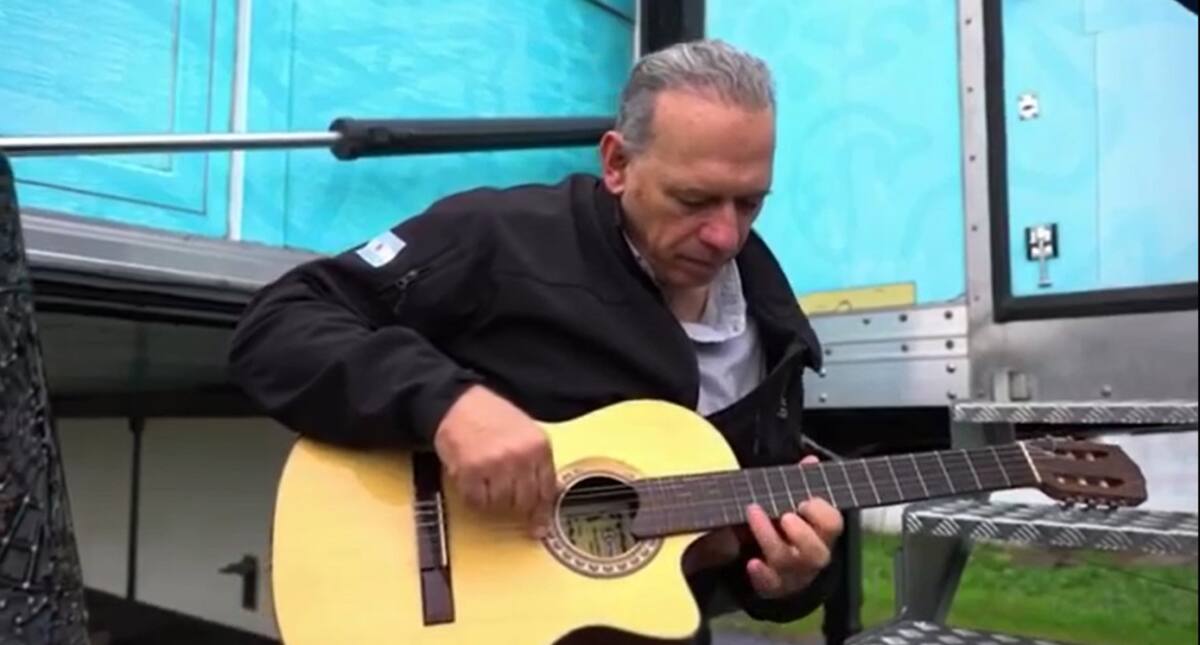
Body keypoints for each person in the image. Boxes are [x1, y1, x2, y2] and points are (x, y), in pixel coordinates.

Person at [228, 38, 842, 644]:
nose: (724, 235)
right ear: (617, 164)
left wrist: (791, 581)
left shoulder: (771, 323)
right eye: (694, 199)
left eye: (750, 203)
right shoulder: (500, 238)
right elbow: (282, 321)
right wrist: (448, 404)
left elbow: (734, 551)